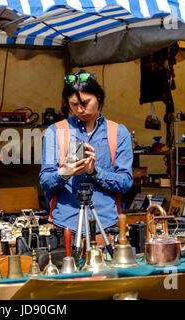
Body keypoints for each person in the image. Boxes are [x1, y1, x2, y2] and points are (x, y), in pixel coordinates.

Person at [39, 69, 133, 236]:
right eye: (74, 104)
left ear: (98, 97)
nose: (80, 110)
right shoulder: (55, 131)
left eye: (85, 103)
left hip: (105, 226)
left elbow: (125, 182)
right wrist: (64, 173)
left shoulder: (118, 132)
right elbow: (45, 181)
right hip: (66, 227)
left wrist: (95, 172)